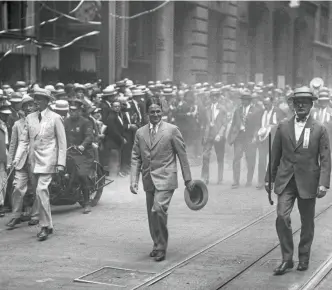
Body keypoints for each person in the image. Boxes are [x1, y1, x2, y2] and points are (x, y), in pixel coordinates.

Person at [265, 86, 331, 275]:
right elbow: (275, 154)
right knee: (282, 217)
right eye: (297, 101)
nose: (301, 105)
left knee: (307, 221)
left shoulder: (319, 128)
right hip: (286, 180)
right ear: (292, 105)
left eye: (305, 102)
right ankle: (287, 259)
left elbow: (325, 158)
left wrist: (323, 183)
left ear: (311, 105)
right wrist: (268, 178)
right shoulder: (283, 126)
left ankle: (304, 257)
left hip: (309, 181)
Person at [130, 97, 195, 262]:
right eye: (152, 112)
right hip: (148, 179)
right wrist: (133, 180)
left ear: (162, 112)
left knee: (158, 209)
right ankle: (156, 243)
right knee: (152, 216)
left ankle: (161, 247)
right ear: (147, 114)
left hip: (166, 177)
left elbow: (182, 155)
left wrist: (188, 179)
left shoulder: (172, 130)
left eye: (158, 111)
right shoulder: (140, 132)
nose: (155, 114)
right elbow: (136, 157)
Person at [13, 88, 67, 241]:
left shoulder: (56, 118)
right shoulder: (29, 118)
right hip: (32, 161)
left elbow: (62, 142)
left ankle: (44, 226)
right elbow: (24, 141)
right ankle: (48, 224)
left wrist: (61, 162)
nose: (36, 101)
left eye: (40, 99)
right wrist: (17, 158)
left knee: (42, 190)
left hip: (49, 160)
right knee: (40, 193)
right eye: (35, 98)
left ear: (47, 101)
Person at [6, 95, 38, 229]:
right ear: (23, 108)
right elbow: (13, 145)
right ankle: (15, 216)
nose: (29, 108)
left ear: (36, 106)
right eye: (26, 106)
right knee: (18, 187)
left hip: (36, 160)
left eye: (31, 105)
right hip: (20, 162)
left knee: (37, 189)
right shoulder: (17, 125)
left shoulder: (40, 122)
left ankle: (36, 215)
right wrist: (9, 162)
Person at [64, 99, 94, 214]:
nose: (72, 112)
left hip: (83, 153)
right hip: (69, 152)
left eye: (75, 110)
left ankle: (87, 202)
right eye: (70, 110)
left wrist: (82, 146)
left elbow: (89, 136)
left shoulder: (86, 122)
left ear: (80, 111)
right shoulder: (65, 121)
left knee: (82, 174)